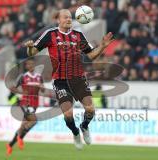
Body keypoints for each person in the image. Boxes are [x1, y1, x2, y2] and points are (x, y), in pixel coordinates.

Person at [24, 9, 113, 149]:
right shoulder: (50, 34)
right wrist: (29, 48)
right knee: (68, 114)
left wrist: (102, 46)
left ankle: (84, 127)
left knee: (90, 109)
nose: (69, 19)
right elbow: (32, 52)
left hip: (78, 77)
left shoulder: (78, 35)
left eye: (70, 17)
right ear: (58, 20)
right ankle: (75, 132)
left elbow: (90, 55)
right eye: (65, 17)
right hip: (60, 81)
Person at [6, 58, 44, 156]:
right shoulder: (23, 77)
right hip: (26, 102)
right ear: (26, 66)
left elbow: (43, 91)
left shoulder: (39, 77)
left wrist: (41, 87)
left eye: (32, 64)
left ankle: (10, 144)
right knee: (33, 121)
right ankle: (20, 138)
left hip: (35, 104)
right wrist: (18, 95)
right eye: (28, 64)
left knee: (24, 124)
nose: (30, 66)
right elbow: (13, 89)